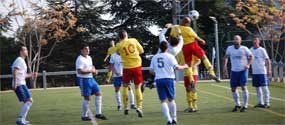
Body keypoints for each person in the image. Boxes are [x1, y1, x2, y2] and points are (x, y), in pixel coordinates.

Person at [169, 17, 220, 83]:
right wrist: (201, 40)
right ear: (187, 24)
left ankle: (191, 79)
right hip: (193, 45)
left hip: (184, 47)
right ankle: (211, 73)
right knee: (203, 57)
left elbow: (170, 37)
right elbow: (195, 36)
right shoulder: (188, 29)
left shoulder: (175, 28)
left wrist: (170, 44)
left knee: (188, 63)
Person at [150, 41, 188, 125]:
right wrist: (185, 66)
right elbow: (177, 67)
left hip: (159, 80)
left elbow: (151, 71)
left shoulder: (155, 57)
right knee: (171, 99)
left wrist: (159, 73)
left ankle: (168, 120)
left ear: (160, 48)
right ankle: (174, 119)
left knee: (163, 101)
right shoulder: (170, 56)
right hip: (169, 79)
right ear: (167, 48)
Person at [141, 24, 184, 92]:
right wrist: (179, 33)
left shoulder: (164, 43)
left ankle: (149, 83)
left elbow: (161, 34)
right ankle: (151, 84)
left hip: (156, 61)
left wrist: (166, 27)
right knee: (170, 82)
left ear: (169, 41)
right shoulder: (176, 50)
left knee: (157, 77)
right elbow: (181, 42)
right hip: (167, 65)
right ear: (176, 44)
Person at [115, 30, 144, 117]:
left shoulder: (119, 45)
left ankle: (125, 107)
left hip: (127, 67)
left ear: (119, 37)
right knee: (137, 87)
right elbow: (142, 51)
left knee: (125, 86)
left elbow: (117, 53)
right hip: (137, 66)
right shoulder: (133, 40)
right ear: (126, 34)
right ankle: (139, 106)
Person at [75, 43, 107, 121]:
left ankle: (98, 113)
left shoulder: (89, 57)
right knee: (87, 98)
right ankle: (84, 116)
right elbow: (80, 71)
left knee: (99, 93)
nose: (88, 50)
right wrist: (90, 71)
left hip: (91, 79)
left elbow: (91, 66)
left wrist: (94, 70)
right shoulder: (79, 59)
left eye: (88, 49)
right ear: (81, 50)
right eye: (86, 49)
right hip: (83, 80)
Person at [223, 35, 254, 112]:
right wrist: (225, 66)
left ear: (240, 41)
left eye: (237, 39)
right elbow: (226, 57)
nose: (236, 40)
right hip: (234, 71)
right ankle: (237, 104)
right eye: (234, 39)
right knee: (233, 88)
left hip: (243, 71)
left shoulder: (244, 48)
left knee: (243, 87)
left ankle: (245, 105)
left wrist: (248, 64)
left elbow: (251, 56)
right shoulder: (230, 48)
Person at [12, 45, 37, 125]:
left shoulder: (22, 61)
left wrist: (32, 74)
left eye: (26, 50)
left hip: (22, 83)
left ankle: (22, 119)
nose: (27, 51)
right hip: (19, 84)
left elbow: (23, 75)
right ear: (21, 52)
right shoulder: (19, 60)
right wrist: (15, 83)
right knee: (29, 101)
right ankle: (20, 120)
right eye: (25, 50)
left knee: (27, 102)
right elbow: (15, 71)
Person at [250, 36, 271, 108]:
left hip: (262, 72)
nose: (255, 41)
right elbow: (248, 59)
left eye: (256, 40)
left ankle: (267, 103)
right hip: (255, 72)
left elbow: (268, 60)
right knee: (257, 88)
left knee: (264, 88)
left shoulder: (262, 50)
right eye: (254, 40)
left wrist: (269, 70)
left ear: (259, 41)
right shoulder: (250, 49)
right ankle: (260, 102)